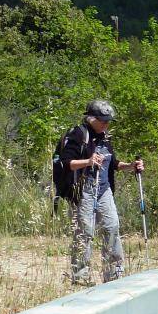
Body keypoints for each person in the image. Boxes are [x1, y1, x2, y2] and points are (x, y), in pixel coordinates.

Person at [60, 99, 143, 285]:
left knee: (112, 226)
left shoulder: (105, 137)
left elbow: (112, 163)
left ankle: (114, 275)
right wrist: (88, 162)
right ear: (91, 118)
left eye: (108, 120)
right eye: (102, 120)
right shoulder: (77, 135)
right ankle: (80, 277)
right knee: (85, 232)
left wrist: (131, 166)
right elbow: (66, 163)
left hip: (104, 189)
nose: (106, 123)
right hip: (83, 189)